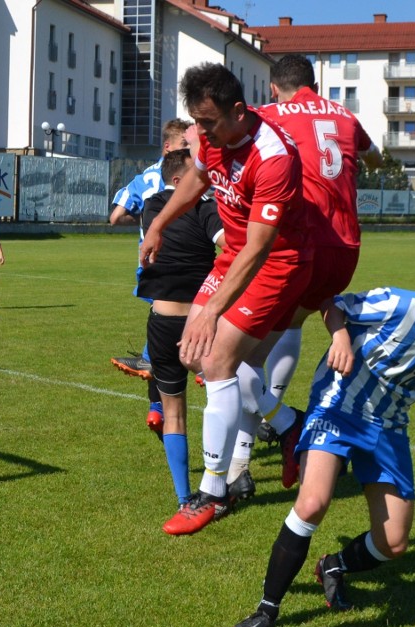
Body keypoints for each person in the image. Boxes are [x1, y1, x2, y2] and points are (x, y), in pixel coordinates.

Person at [230, 261, 415, 627]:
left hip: (389, 426)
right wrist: (341, 338)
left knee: (393, 543)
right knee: (312, 502)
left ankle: (334, 565)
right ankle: (266, 611)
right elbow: (331, 304)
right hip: (339, 405)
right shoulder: (400, 304)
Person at [138, 62, 314, 536]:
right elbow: (195, 180)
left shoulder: (272, 155)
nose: (200, 132)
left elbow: (259, 247)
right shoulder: (214, 138)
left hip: (275, 263)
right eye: (195, 121)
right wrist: (158, 223)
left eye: (208, 122)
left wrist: (212, 311)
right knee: (194, 354)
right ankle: (287, 422)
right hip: (233, 257)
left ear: (239, 111)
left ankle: (213, 492)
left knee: (215, 360)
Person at [227, 53, 383, 491]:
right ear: (314, 82)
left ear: (273, 87)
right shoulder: (345, 115)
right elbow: (369, 155)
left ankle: (273, 437)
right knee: (268, 344)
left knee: (233, 358)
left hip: (300, 248)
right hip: (346, 248)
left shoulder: (267, 115)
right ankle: (248, 456)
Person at [135, 149, 229, 522]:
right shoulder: (205, 207)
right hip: (202, 326)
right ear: (179, 182)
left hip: (161, 321)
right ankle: (226, 478)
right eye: (196, 176)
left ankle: (183, 498)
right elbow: (227, 243)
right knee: (224, 400)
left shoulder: (151, 208)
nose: (202, 182)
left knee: (174, 412)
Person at [109, 118, 192, 433]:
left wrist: (146, 221)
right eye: (185, 146)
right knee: (189, 317)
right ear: (168, 147)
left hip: (151, 263)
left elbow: (115, 216)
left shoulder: (141, 179)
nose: (190, 151)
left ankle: (156, 409)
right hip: (183, 260)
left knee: (161, 321)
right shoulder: (187, 176)